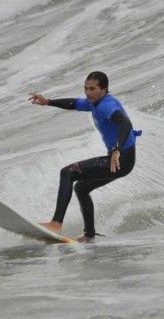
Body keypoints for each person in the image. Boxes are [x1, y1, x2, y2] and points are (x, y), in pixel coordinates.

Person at [28, 71, 140, 242]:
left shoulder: (106, 106)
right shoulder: (94, 102)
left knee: (68, 172)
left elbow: (125, 123)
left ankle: (56, 224)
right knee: (81, 187)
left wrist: (117, 150)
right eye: (86, 88)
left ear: (104, 89)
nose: (88, 93)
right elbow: (74, 103)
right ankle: (89, 235)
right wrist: (48, 102)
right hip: (120, 159)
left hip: (121, 158)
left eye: (92, 89)